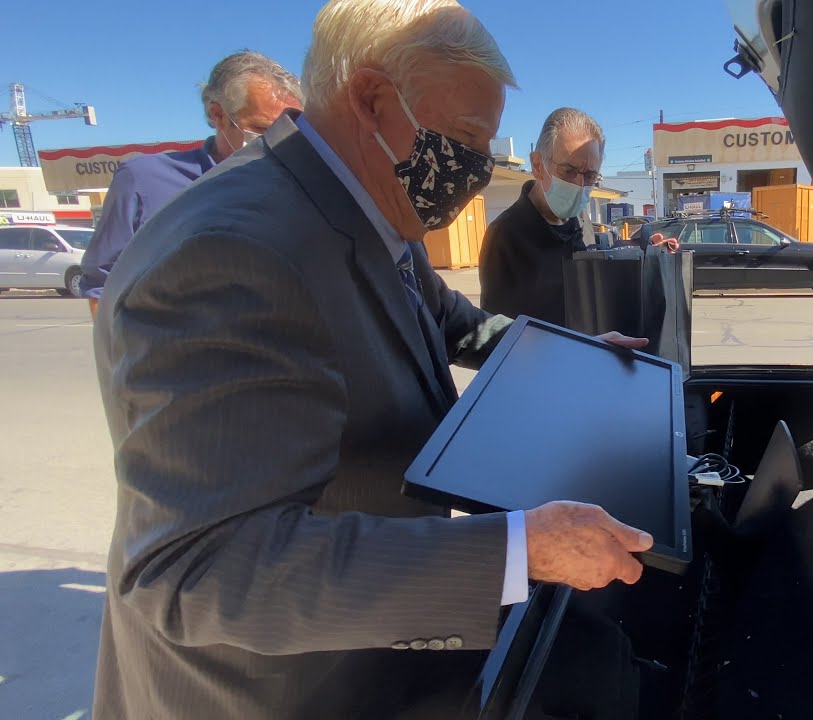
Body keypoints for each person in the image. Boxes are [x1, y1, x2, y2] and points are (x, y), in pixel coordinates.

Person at [91, 2, 653, 718]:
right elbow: (201, 569)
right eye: (466, 137)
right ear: (372, 99)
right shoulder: (230, 251)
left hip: (374, 646)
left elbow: (452, 322)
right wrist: (520, 550)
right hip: (285, 690)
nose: (479, 167)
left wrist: (572, 356)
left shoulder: (369, 208)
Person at [80, 51, 302, 315]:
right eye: (263, 129)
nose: (276, 139)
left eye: (287, 130)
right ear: (218, 114)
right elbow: (102, 283)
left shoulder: (293, 185)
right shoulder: (143, 180)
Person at [479, 107, 603, 325]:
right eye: (568, 171)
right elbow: (497, 332)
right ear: (537, 165)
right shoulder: (505, 236)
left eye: (590, 175)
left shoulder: (583, 225)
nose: (579, 184)